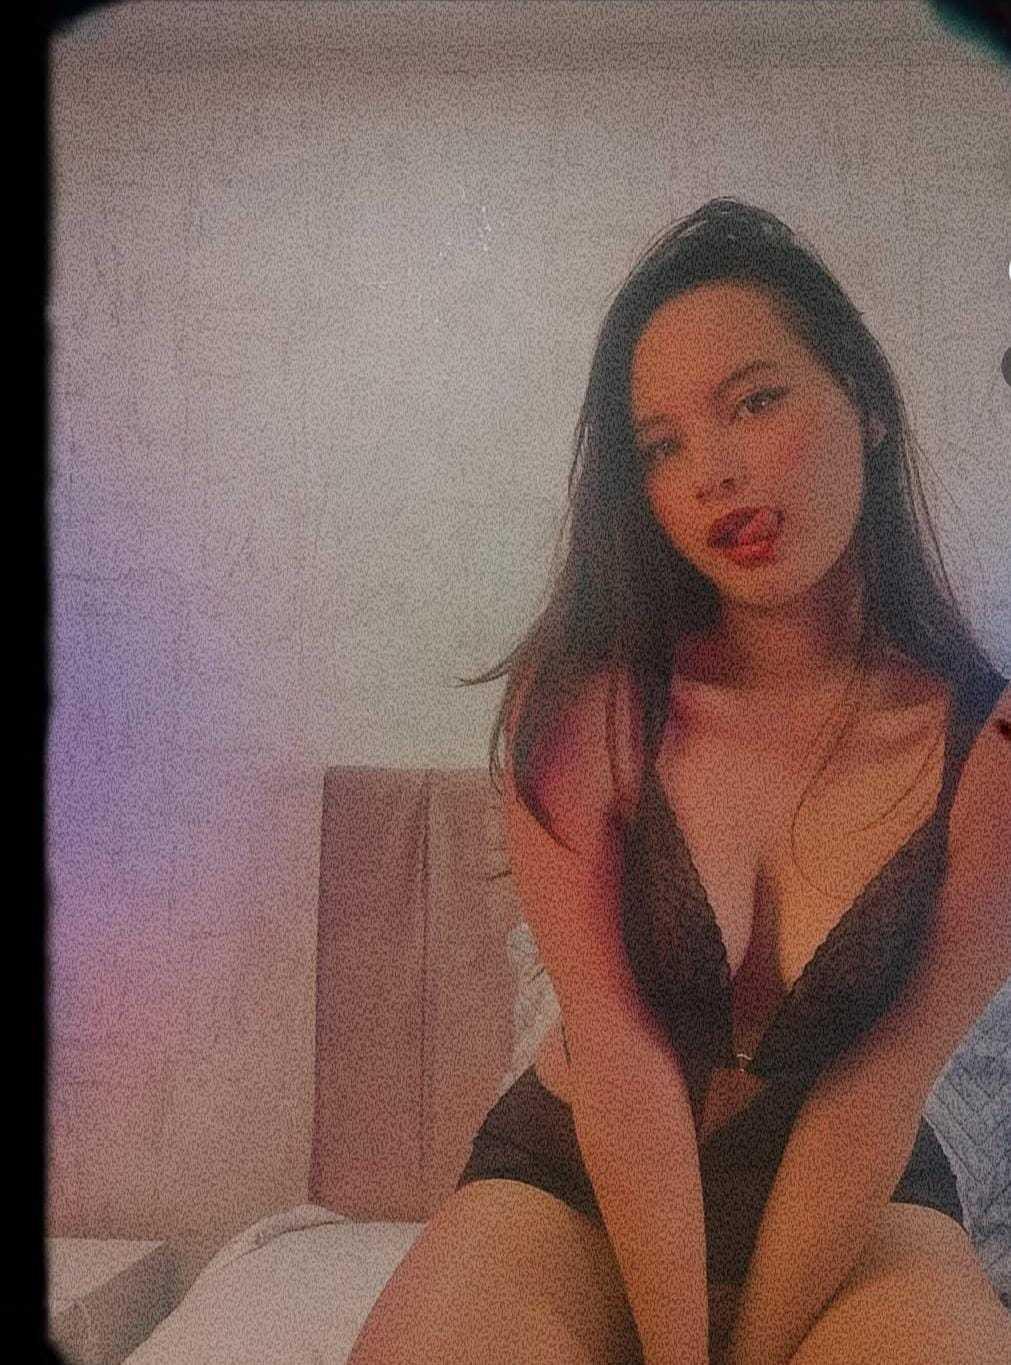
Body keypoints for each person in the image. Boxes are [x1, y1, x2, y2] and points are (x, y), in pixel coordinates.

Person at [347, 199, 1011, 1365]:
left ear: (866, 401)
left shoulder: (987, 749)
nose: (713, 473)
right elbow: (621, 1053)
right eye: (661, 445)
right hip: (580, 1175)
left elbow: (882, 1077)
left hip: (856, 1198)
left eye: (756, 401)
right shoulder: (591, 704)